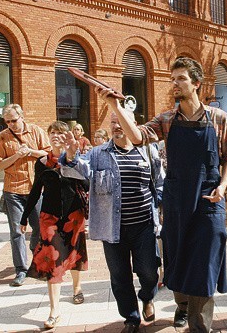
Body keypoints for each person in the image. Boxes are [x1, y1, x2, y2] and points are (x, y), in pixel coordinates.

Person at [97, 57, 227, 332]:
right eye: (172, 79)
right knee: (177, 257)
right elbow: (137, 137)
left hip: (209, 199)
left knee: (205, 262)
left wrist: (222, 186)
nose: (175, 84)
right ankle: (182, 306)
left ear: (196, 84)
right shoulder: (167, 119)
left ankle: (200, 326)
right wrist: (114, 105)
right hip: (176, 201)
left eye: (181, 78)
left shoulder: (219, 118)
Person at [62, 110, 164, 333]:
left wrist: (160, 208)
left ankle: (147, 296)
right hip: (111, 227)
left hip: (144, 224)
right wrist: (70, 156)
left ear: (133, 125)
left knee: (149, 271)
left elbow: (159, 182)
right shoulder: (98, 154)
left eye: (121, 123)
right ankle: (131, 317)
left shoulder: (147, 150)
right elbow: (77, 170)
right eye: (113, 123)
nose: (117, 127)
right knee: (119, 276)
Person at [20, 121, 88, 329]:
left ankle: (76, 289)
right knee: (53, 257)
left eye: (60, 133)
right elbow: (35, 190)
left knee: (74, 252)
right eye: (53, 133)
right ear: (48, 137)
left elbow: (86, 184)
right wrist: (24, 217)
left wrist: (71, 160)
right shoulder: (41, 162)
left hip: (73, 215)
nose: (56, 136)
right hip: (49, 217)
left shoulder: (76, 159)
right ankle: (54, 310)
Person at [0, 104, 51, 286]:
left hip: (35, 188)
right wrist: (17, 156)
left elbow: (48, 154)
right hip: (13, 189)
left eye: (14, 120)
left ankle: (35, 252)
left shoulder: (36, 132)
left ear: (22, 117)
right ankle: (21, 270)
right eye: (7, 121)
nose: (11, 124)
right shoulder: (2, 137)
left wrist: (30, 152)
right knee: (17, 231)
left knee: (40, 228)